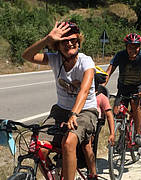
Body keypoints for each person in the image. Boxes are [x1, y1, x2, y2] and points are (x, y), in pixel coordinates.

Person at [22, 21, 98, 180]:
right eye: (65, 41)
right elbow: (26, 56)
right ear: (57, 45)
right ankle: (55, 175)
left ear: (79, 40)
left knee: (68, 142)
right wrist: (46, 39)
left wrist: (74, 114)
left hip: (85, 111)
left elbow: (84, 91)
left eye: (74, 39)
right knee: (38, 148)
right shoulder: (55, 59)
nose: (70, 43)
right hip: (60, 111)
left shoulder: (86, 62)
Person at [104, 33, 141, 147]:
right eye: (130, 47)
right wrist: (101, 85)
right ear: (126, 47)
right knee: (116, 111)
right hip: (123, 87)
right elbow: (109, 71)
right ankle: (122, 134)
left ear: (139, 47)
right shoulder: (120, 55)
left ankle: (138, 134)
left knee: (135, 106)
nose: (133, 50)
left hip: (138, 87)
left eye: (136, 46)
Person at [94, 69, 115, 145]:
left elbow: (109, 116)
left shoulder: (101, 97)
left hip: (95, 123)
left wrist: (112, 134)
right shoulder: (81, 95)